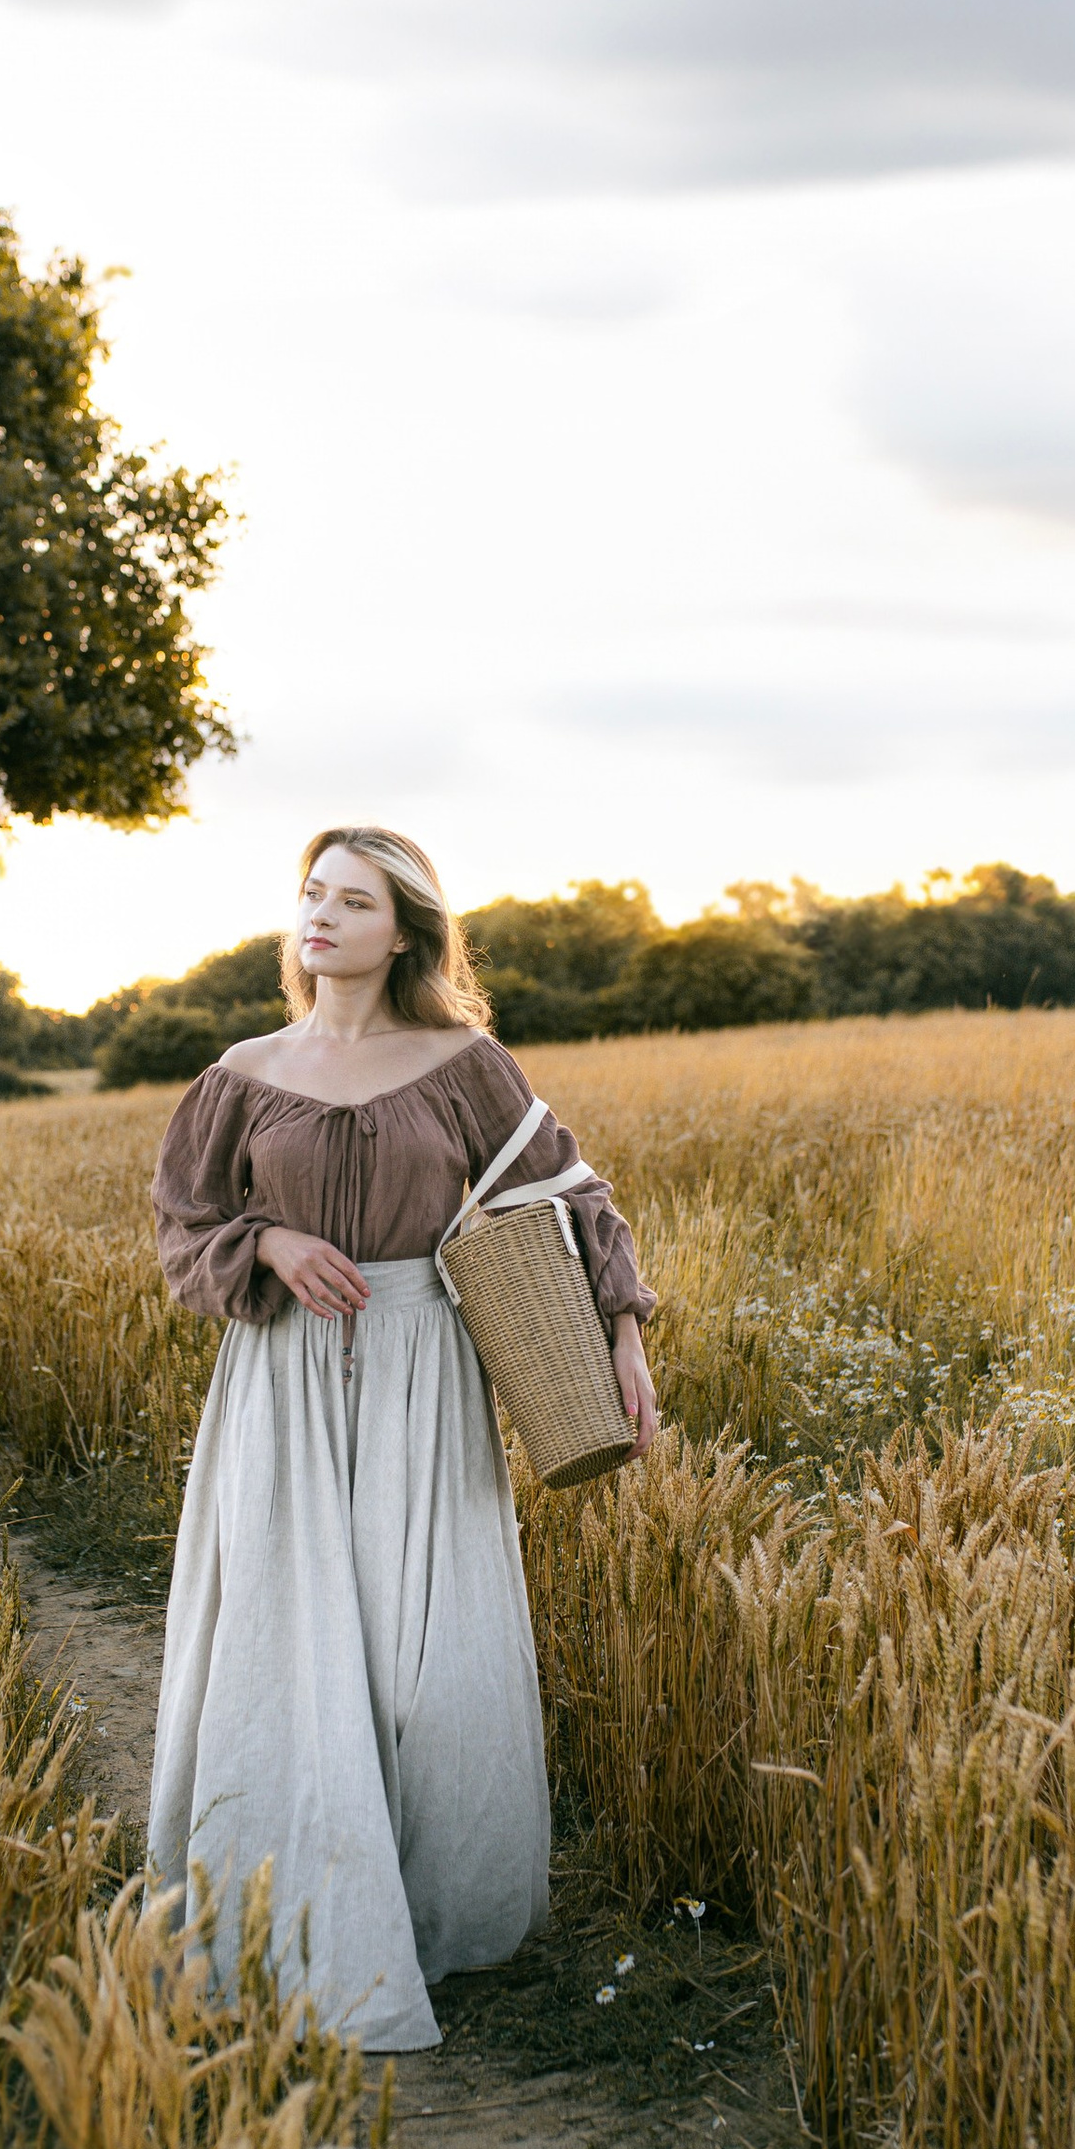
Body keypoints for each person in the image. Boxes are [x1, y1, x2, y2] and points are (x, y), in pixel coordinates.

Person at [147, 824, 659, 2050]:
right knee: (291, 1644)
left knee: (423, 1661)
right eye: (310, 894)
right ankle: (281, 1905)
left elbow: (567, 1192)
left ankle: (431, 1908)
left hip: (428, 1373)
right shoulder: (242, 1071)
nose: (319, 916)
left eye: (352, 899)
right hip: (279, 1382)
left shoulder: (464, 1062)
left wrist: (623, 1334)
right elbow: (183, 1223)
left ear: (405, 931)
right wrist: (266, 1243)